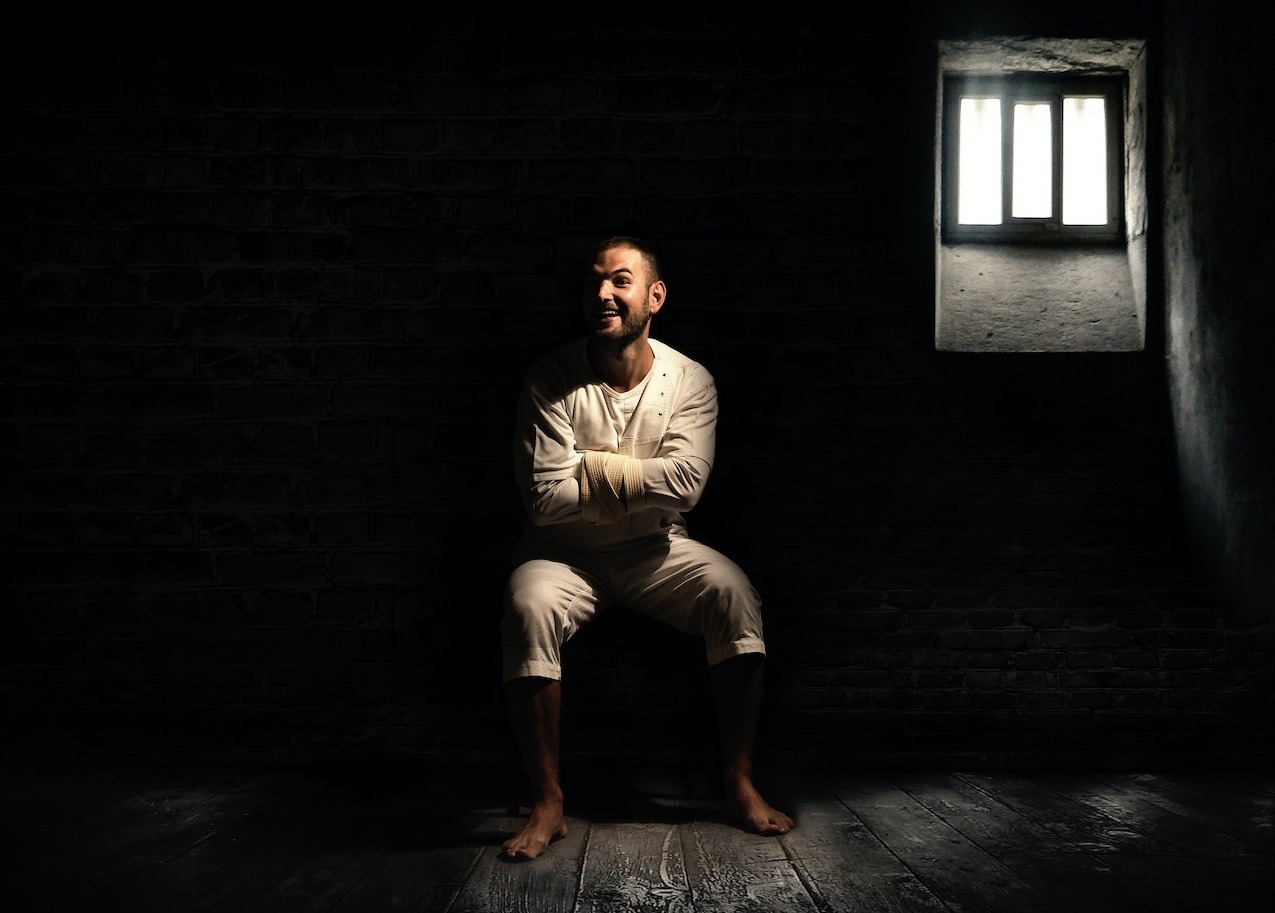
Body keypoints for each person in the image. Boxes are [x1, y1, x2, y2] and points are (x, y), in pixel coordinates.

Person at [499, 235, 793, 861]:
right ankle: (548, 801)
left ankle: (739, 782)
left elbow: (686, 488)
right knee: (528, 606)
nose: (603, 293)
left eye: (620, 280)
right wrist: (641, 477)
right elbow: (545, 503)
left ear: (654, 296)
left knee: (734, 593)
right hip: (561, 554)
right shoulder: (551, 377)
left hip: (656, 548)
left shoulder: (691, 379)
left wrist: (588, 470)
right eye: (593, 283)